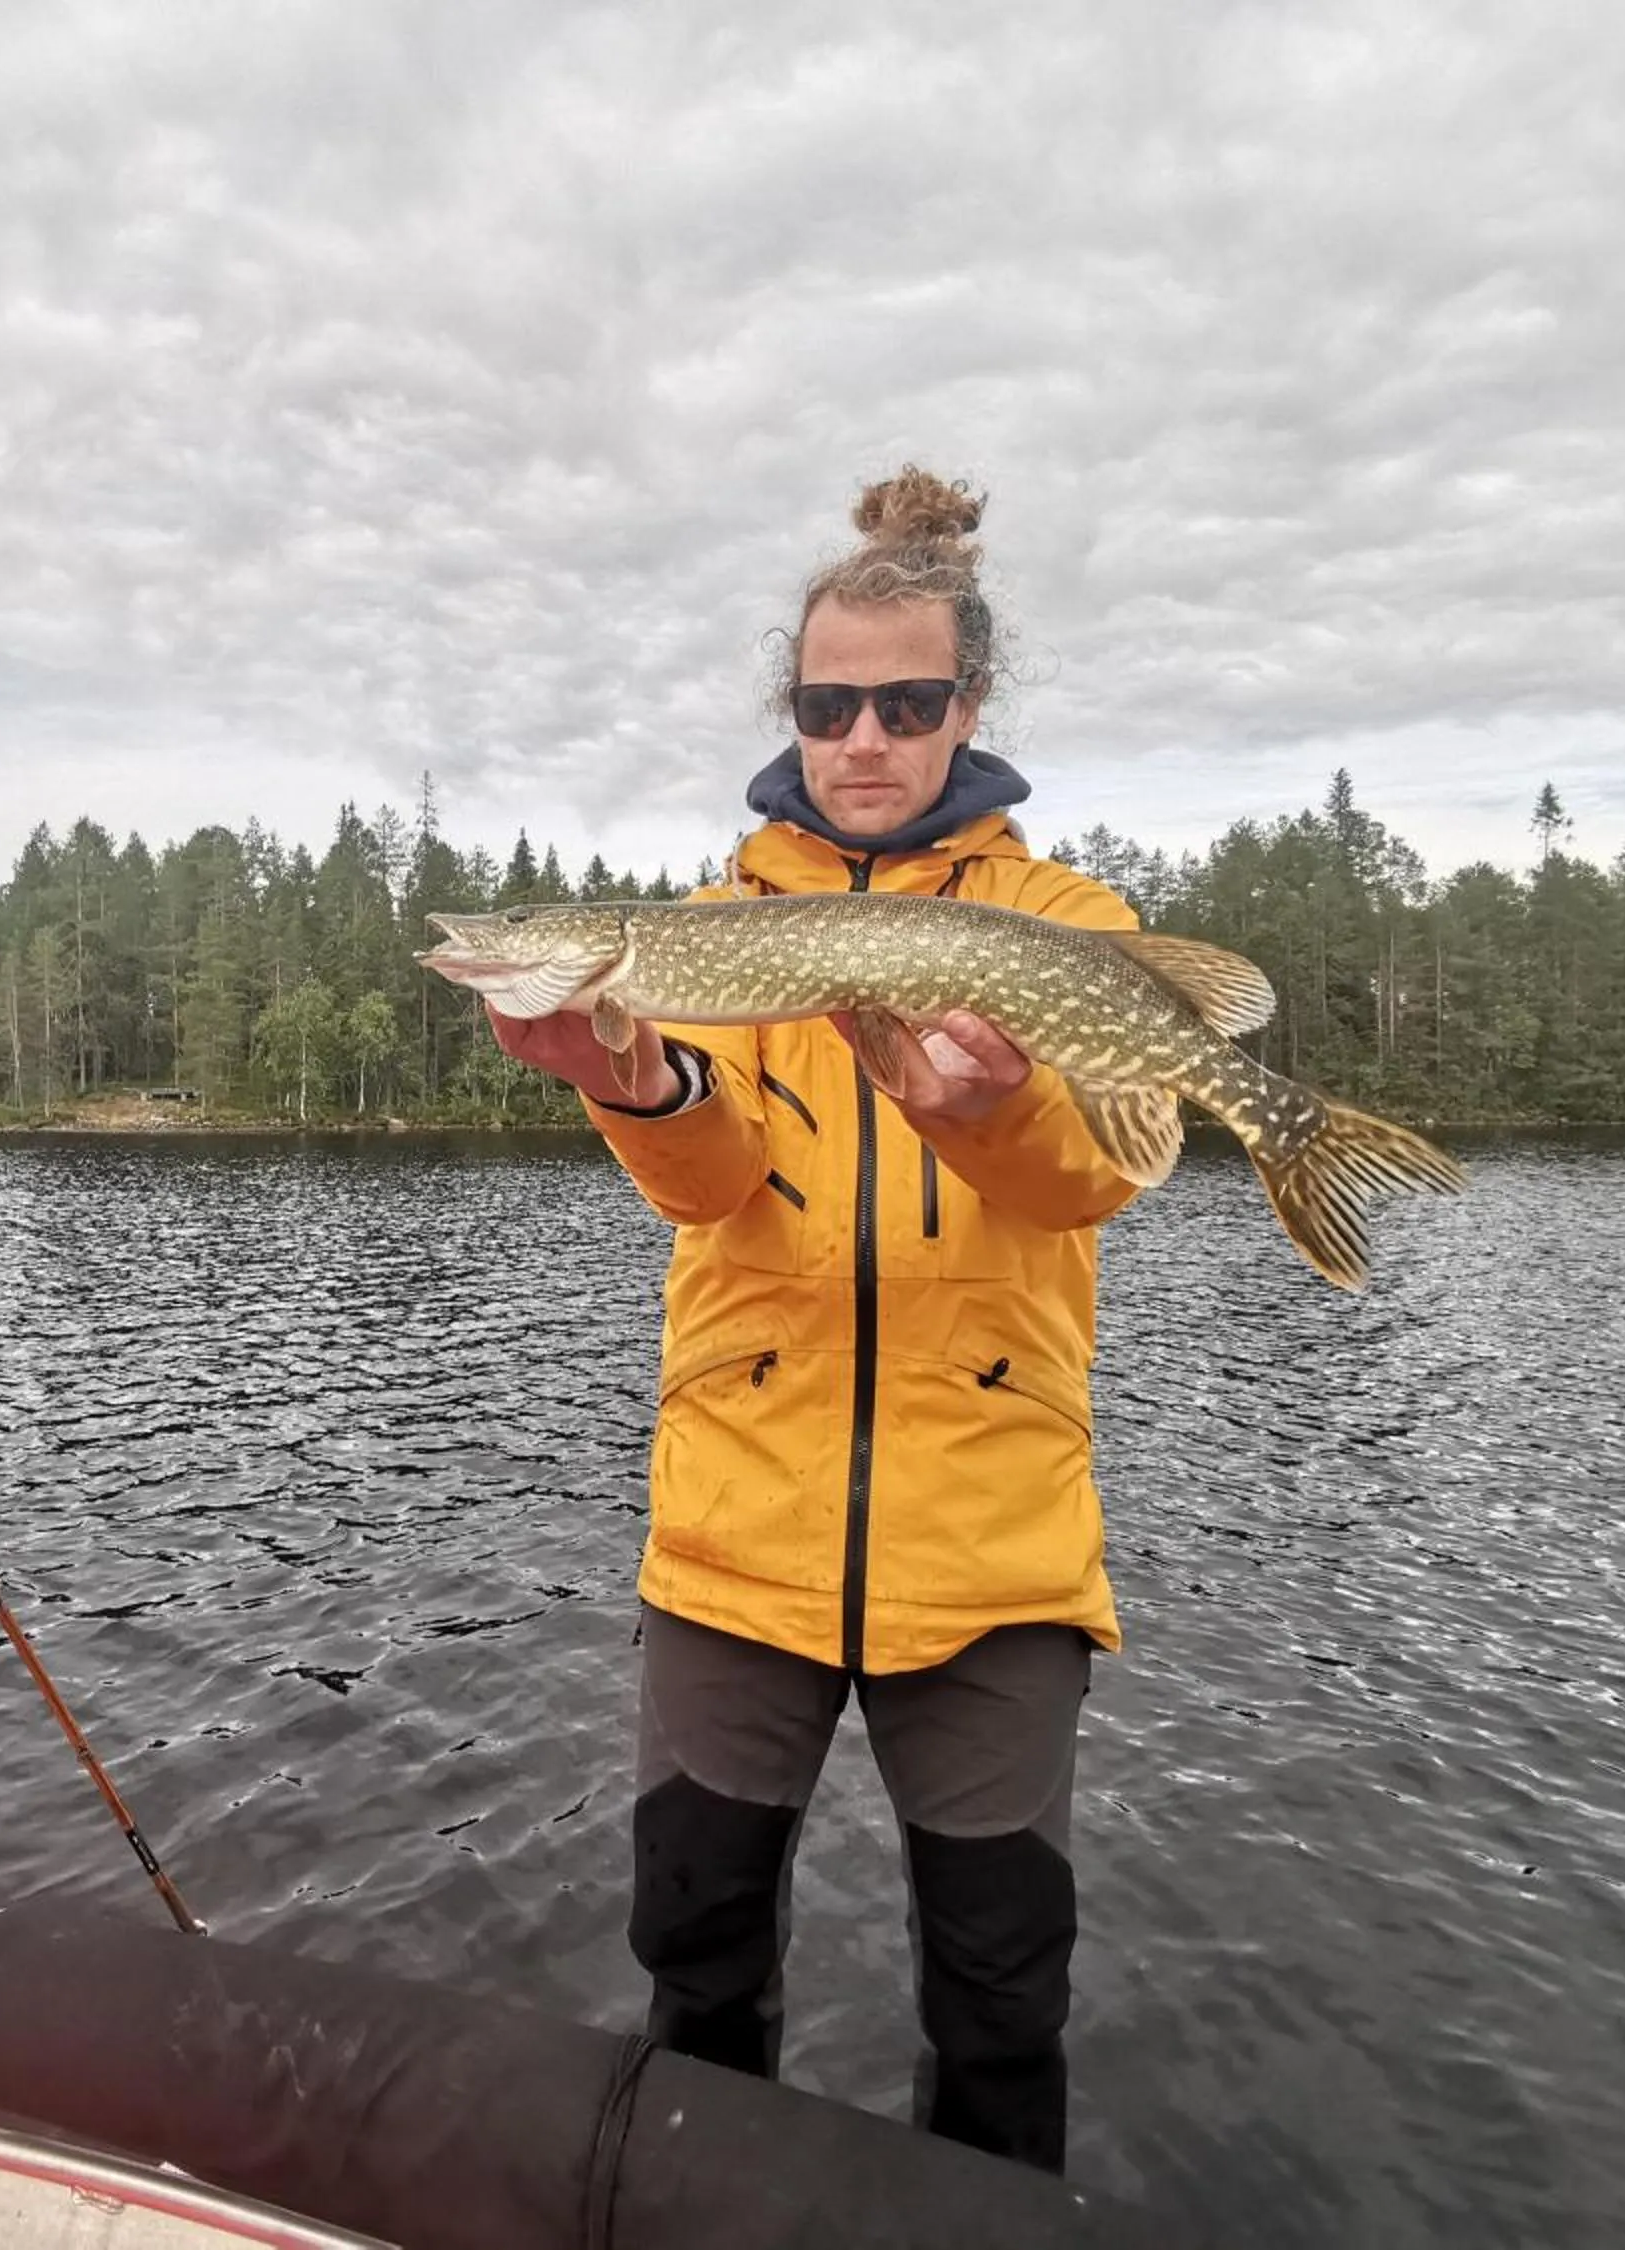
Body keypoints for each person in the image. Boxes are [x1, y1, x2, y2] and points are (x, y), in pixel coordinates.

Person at [488, 467, 1140, 2175]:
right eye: (829, 703)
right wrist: (632, 1080)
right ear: (792, 708)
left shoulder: (1062, 924)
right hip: (737, 1532)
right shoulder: (711, 938)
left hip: (993, 1546)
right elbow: (716, 1185)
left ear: (966, 708)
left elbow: (1094, 1175)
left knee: (1000, 2000)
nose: (863, 738)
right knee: (697, 1967)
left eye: (905, 705)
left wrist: (988, 1109)